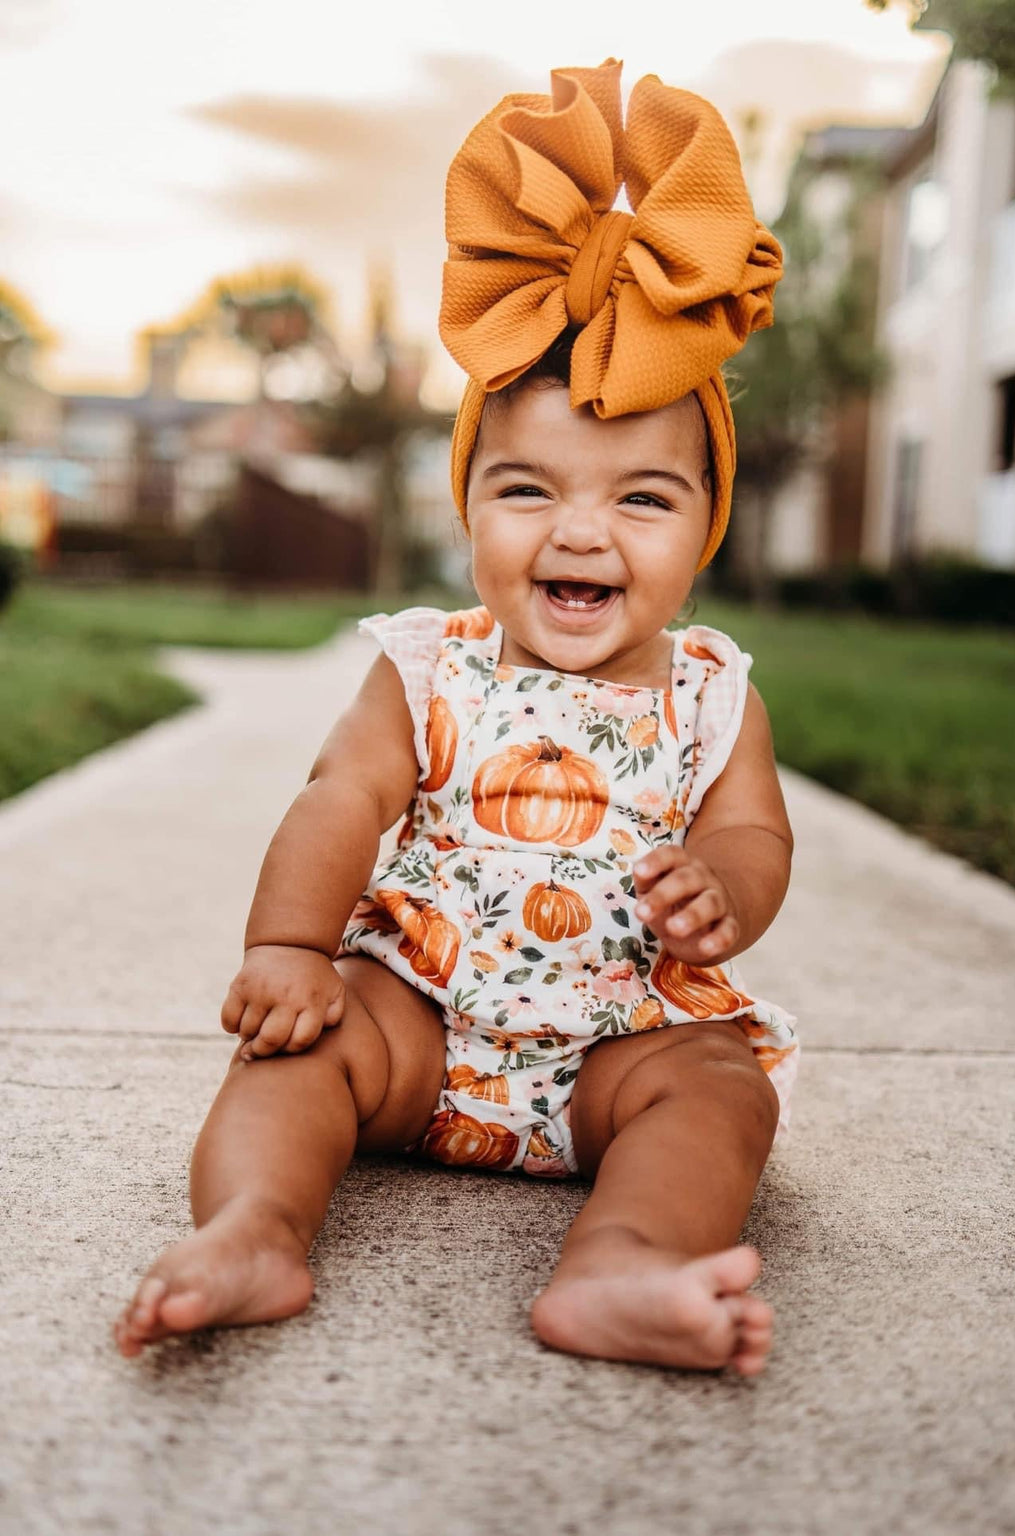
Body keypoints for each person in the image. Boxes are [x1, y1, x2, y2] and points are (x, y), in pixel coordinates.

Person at [115, 59, 799, 1374]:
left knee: (722, 1093)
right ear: (468, 503)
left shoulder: (714, 688)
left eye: (643, 501)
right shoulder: (430, 665)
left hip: (621, 1038)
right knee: (297, 1055)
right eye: (528, 489)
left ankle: (622, 1265)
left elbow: (757, 835)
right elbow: (344, 797)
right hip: (415, 1018)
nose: (582, 531)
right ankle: (254, 1229)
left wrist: (726, 884)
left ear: (705, 528)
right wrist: (293, 948)